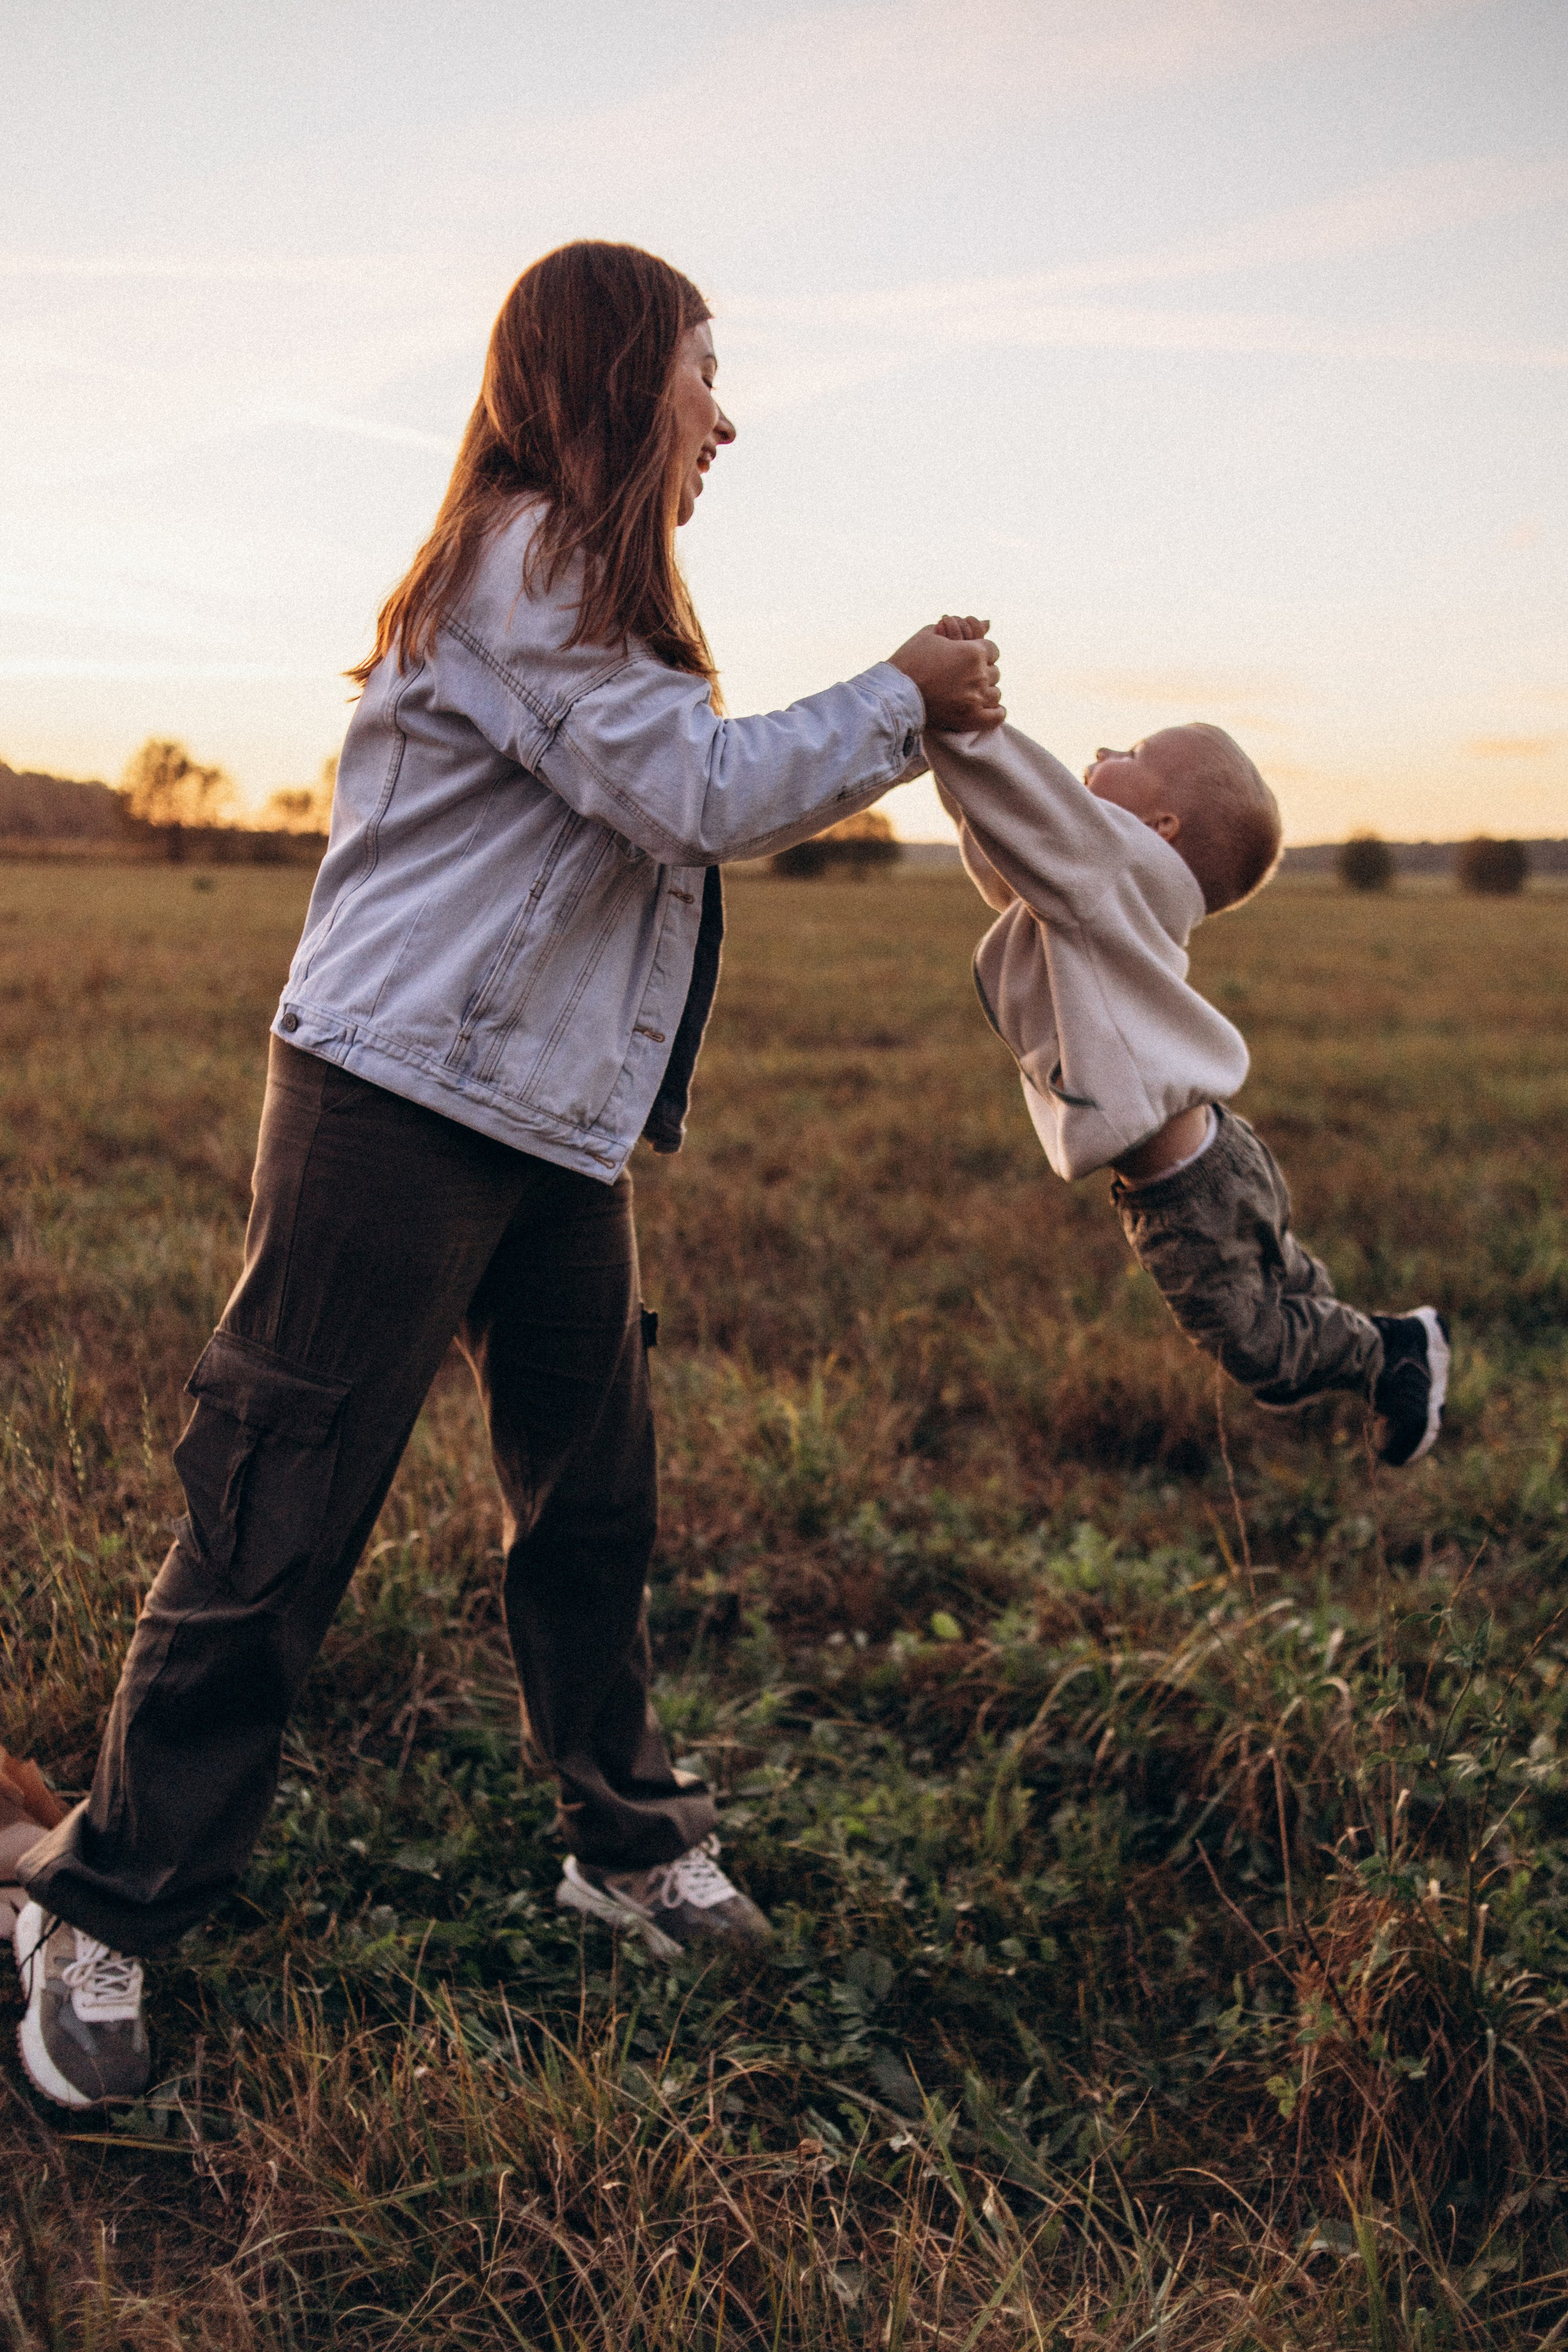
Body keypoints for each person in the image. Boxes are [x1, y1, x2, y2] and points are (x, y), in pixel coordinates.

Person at [12, 241, 1004, 2111]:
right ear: (623, 381)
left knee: (593, 1500)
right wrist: (905, 695)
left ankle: (621, 1846)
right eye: (710, 369)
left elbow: (675, 795)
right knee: (279, 1510)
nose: (729, 413)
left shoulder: (601, 607)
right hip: (392, 1103)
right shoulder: (523, 559)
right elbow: (699, 796)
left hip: (549, 1128)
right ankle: (106, 1907)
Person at [925, 672, 1450, 1466]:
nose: (1102, 749)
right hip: (1210, 1158)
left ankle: (1393, 1352)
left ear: (1158, 827)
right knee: (1280, 1287)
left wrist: (967, 726)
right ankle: (1358, 1335)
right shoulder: (1100, 887)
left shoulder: (1110, 873)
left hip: (1187, 1190)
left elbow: (1029, 808)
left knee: (1261, 1350)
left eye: (1131, 752)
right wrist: (944, 742)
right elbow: (1005, 853)